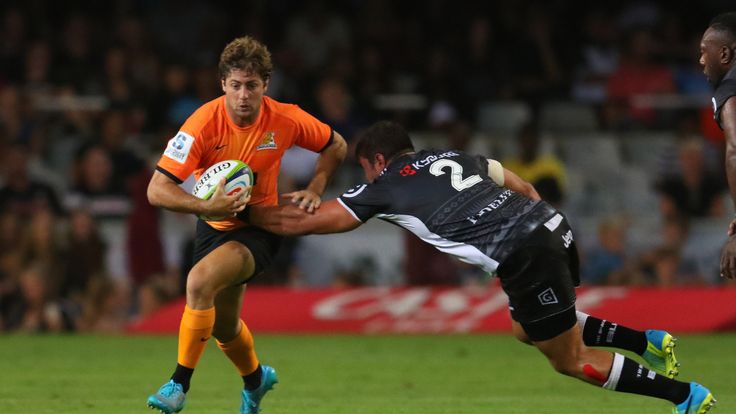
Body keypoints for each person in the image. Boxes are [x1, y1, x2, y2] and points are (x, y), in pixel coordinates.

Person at [248, 121, 716, 414]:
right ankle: (648, 342)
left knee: (570, 360)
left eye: (368, 170)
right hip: (552, 225)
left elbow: (314, 222)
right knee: (526, 329)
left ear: (376, 161)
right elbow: (524, 185)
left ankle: (684, 397)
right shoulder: (454, 157)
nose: (370, 179)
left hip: (524, 254)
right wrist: (537, 228)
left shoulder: (384, 183)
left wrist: (244, 211)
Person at [145, 36, 347, 414]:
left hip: (261, 226)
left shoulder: (285, 119)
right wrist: (204, 205)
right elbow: (157, 190)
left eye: (251, 86)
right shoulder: (203, 123)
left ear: (265, 85)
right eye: (235, 85)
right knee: (223, 326)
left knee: (198, 282)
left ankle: (178, 385)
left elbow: (336, 145)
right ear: (222, 83)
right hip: (214, 223)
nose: (243, 96)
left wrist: (316, 187)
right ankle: (256, 380)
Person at [700, 12, 736, 280]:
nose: (701, 60)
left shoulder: (729, 88)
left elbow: (735, 150)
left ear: (724, 54)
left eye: (704, 51)